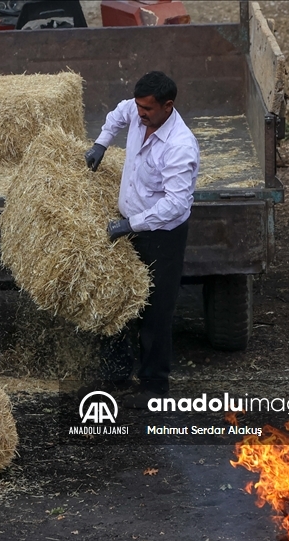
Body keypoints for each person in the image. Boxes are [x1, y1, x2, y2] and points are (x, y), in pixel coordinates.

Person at [85, 71, 199, 407]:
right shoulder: (136, 113)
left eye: (147, 108)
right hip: (129, 225)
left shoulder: (180, 146)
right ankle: (116, 375)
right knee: (117, 300)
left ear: (168, 106)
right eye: (139, 106)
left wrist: (129, 225)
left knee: (155, 310)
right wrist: (101, 143)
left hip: (161, 237)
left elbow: (175, 204)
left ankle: (154, 386)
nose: (140, 113)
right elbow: (119, 113)